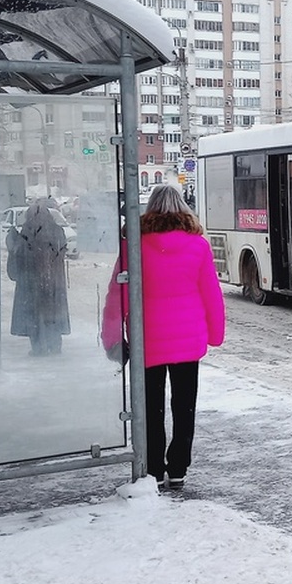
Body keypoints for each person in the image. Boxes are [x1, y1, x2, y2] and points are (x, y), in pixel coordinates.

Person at [101, 185, 225, 491]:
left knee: (151, 409)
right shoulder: (197, 245)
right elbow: (211, 293)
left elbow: (119, 293)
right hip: (188, 340)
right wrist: (215, 333)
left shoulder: (136, 245)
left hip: (148, 340)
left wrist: (112, 337)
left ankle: (154, 469)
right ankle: (178, 468)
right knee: (184, 407)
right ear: (183, 208)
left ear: (150, 208)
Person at [7, 203, 70, 355]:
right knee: (53, 314)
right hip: (53, 283)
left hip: (32, 283)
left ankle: (39, 347)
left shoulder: (27, 232)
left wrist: (12, 240)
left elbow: (19, 258)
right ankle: (55, 345)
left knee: (35, 316)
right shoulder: (57, 230)